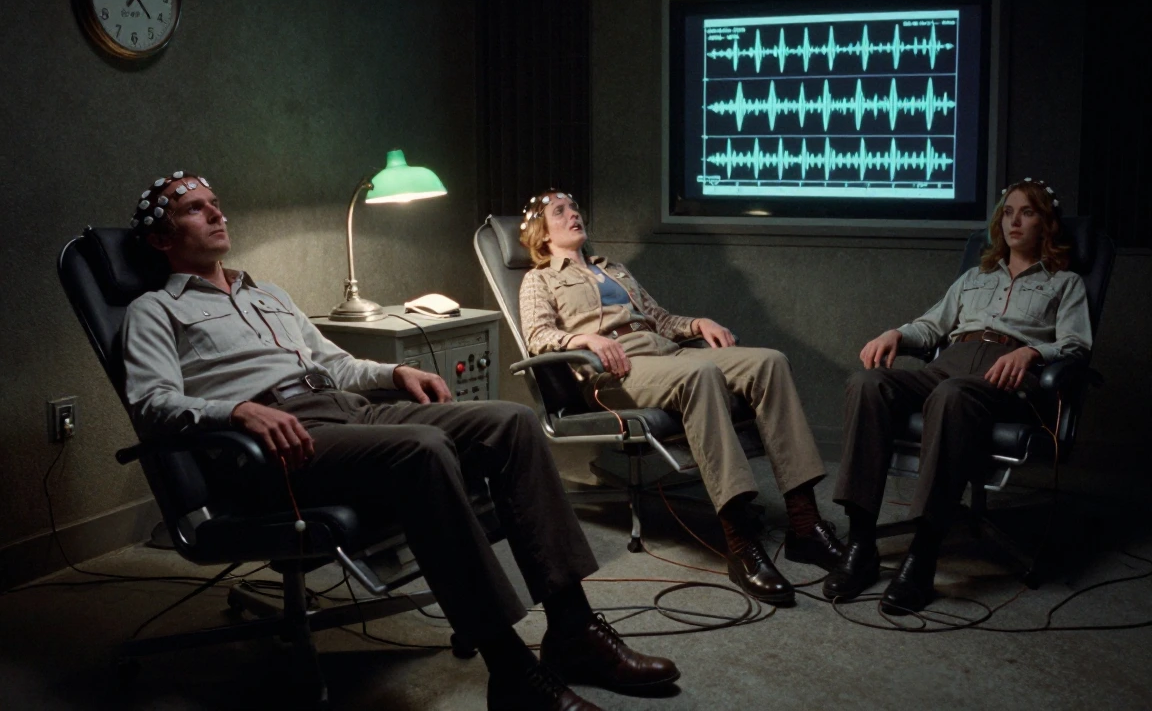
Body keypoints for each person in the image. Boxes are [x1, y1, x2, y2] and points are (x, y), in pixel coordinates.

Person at [121, 172, 681, 711]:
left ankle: (573, 631)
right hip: (278, 442)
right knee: (422, 447)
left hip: (346, 410)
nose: (216, 213)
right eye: (194, 208)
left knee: (511, 422)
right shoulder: (155, 310)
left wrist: (393, 373)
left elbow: (336, 364)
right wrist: (238, 411)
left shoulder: (267, 294)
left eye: (215, 203)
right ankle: (513, 674)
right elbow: (151, 402)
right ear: (161, 238)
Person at [517, 190, 843, 606]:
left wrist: (697, 324)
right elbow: (538, 335)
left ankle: (805, 523)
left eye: (575, 208)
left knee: (770, 363)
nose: (573, 215)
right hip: (612, 371)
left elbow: (660, 319)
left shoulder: (613, 269)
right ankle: (740, 541)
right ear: (543, 235)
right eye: (559, 212)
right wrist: (585, 339)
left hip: (664, 352)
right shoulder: (539, 279)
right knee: (701, 374)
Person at [825, 178, 1092, 614]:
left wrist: (1031, 352)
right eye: (1008, 212)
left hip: (1006, 375)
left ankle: (922, 555)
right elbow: (931, 326)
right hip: (950, 362)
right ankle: (861, 543)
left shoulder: (1065, 283)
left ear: (1045, 223)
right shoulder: (974, 277)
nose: (1014, 221)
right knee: (867, 384)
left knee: (952, 395)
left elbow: (1076, 346)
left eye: (1027, 212)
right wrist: (896, 333)